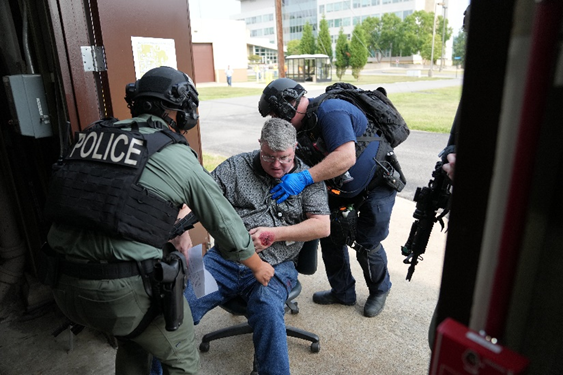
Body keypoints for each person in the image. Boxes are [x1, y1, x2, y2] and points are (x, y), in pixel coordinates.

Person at [42, 66, 274, 375]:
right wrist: (257, 266)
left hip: (60, 284)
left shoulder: (92, 138)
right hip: (119, 293)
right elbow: (224, 221)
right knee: (182, 358)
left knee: (133, 338)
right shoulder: (174, 153)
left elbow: (110, 206)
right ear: (180, 112)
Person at [259, 78, 401, 318]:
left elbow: (345, 157)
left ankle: (379, 289)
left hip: (376, 184)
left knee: (367, 242)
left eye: (274, 113)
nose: (274, 119)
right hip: (339, 187)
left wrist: (304, 178)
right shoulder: (302, 127)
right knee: (330, 236)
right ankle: (342, 291)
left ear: (287, 105)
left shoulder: (330, 111)